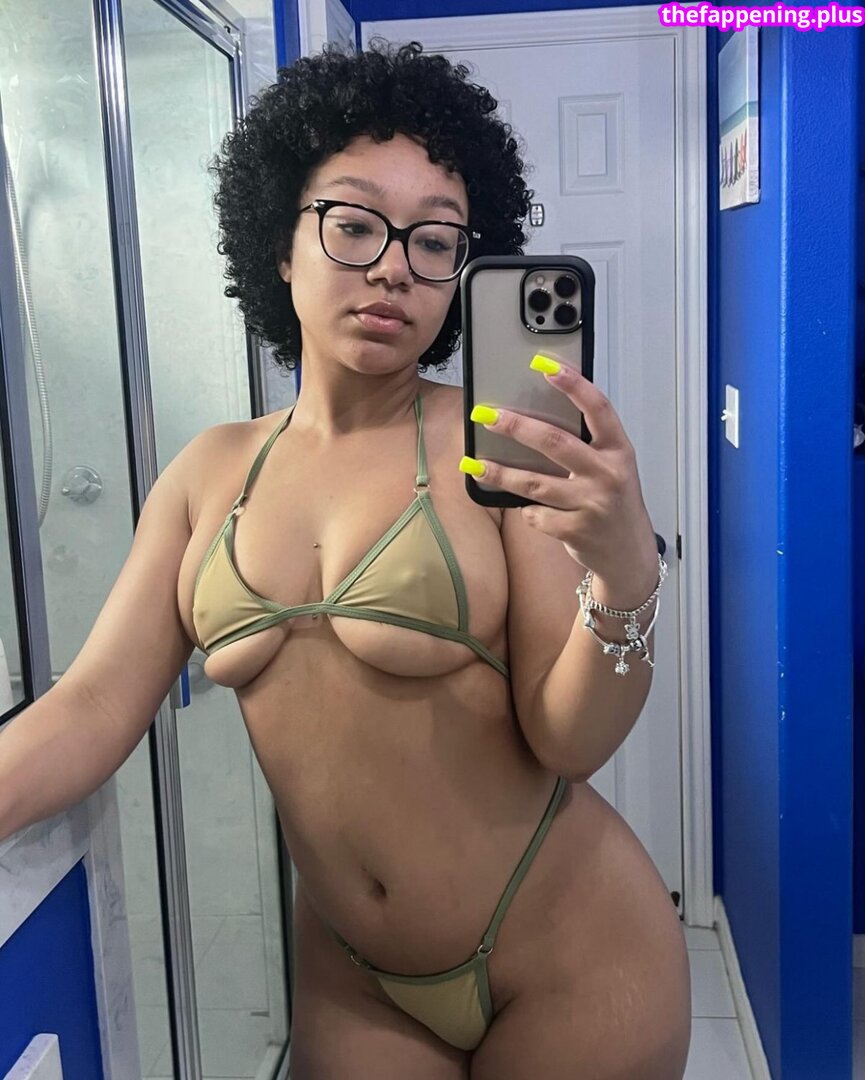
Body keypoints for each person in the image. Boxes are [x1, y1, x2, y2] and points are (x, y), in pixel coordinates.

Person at [0, 39, 690, 1079]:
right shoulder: (208, 472)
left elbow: (570, 739)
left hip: (569, 952)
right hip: (354, 981)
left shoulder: (496, 445)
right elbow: (95, 704)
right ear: (281, 244)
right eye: (355, 224)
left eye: (434, 241)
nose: (393, 268)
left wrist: (624, 577)